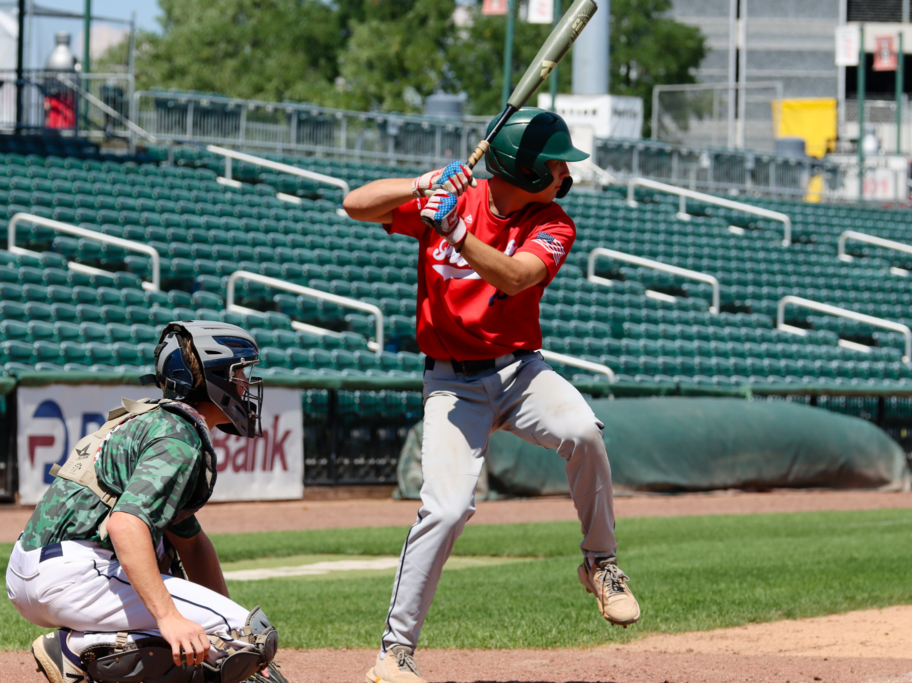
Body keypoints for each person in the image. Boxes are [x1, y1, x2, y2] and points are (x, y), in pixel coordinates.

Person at [343, 107, 641, 683]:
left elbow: (515, 277)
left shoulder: (554, 221)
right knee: (447, 508)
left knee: (582, 429)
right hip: (452, 383)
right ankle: (394, 653)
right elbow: (355, 204)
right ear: (522, 169)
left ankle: (600, 562)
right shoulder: (454, 197)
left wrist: (454, 230)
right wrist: (421, 184)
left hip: (520, 373)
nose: (566, 174)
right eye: (556, 165)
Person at [6, 321, 284, 683]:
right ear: (214, 379)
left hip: (34, 572)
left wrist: (221, 617)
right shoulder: (178, 437)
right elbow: (125, 524)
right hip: (75, 574)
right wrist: (186, 623)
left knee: (223, 632)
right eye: (240, 372)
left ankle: (85, 646)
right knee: (250, 636)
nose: (246, 384)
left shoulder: (157, 421)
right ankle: (75, 650)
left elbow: (192, 544)